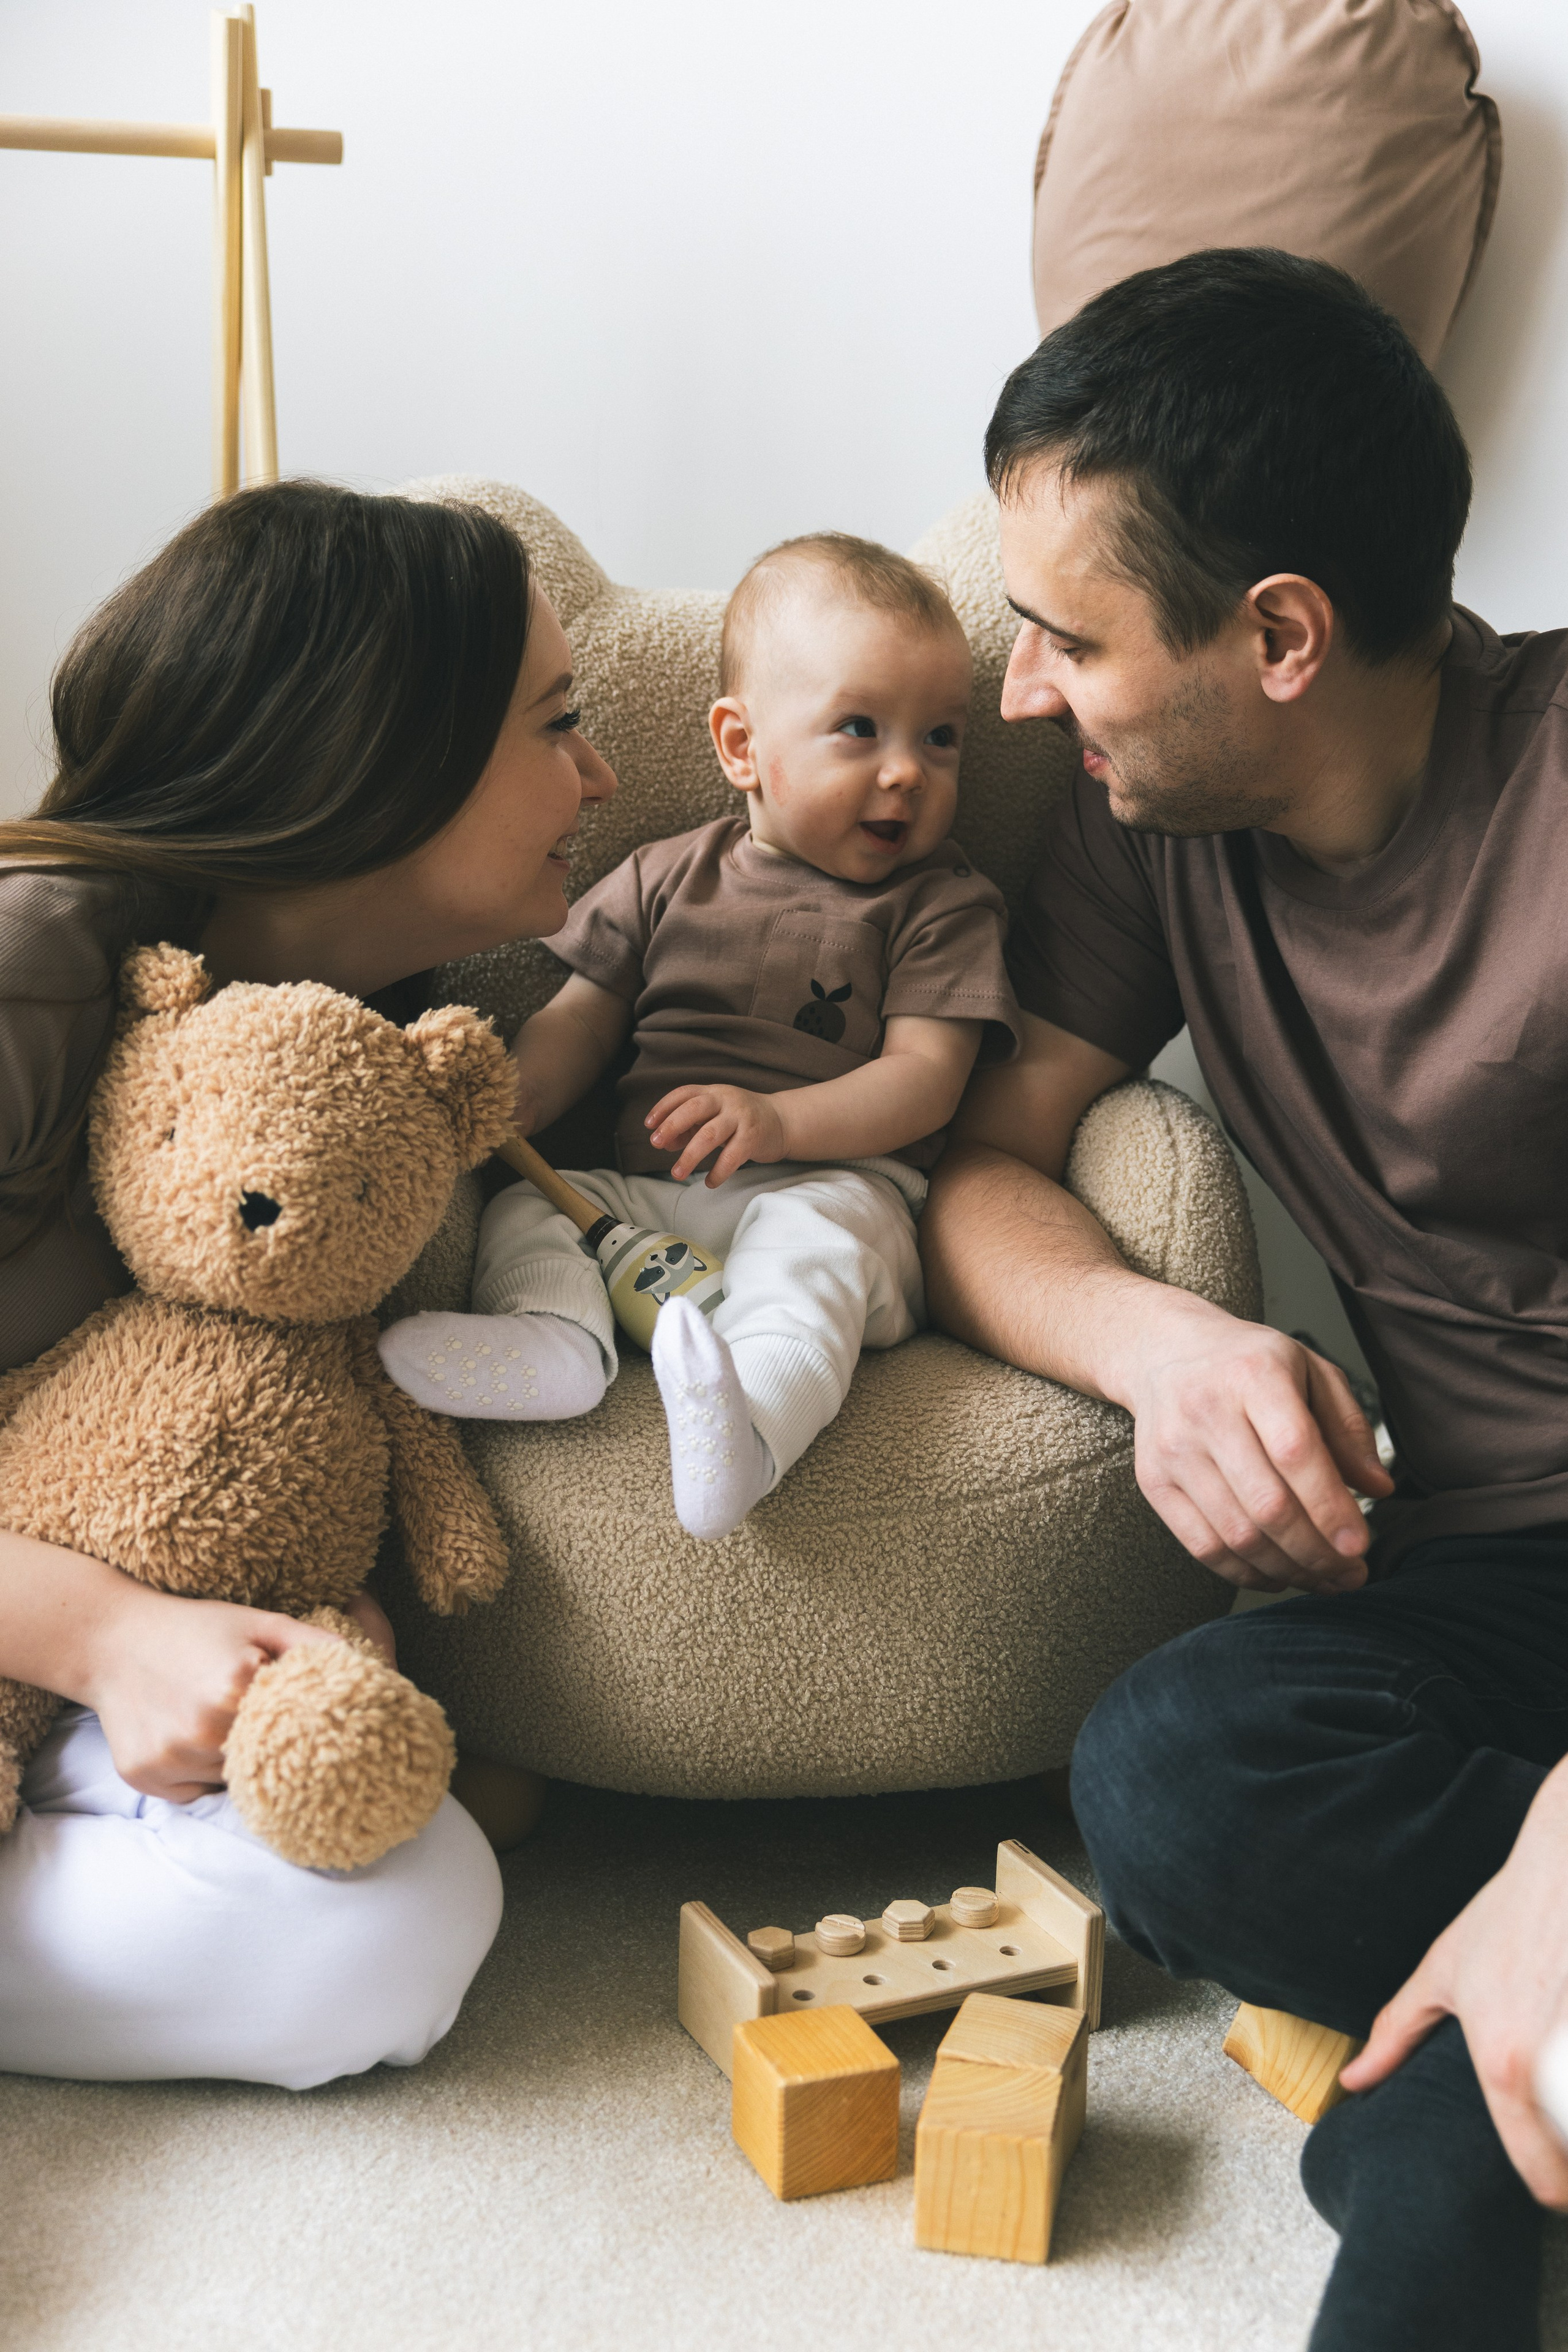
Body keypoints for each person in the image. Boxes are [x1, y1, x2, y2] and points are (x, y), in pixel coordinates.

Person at [919, 246, 1568, 2352]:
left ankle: (1447, 2157)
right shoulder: (1153, 828)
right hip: (1503, 1588)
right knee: (1178, 1774)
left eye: (1066, 638)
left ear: (1277, 634)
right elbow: (991, 1174)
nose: (1025, 694)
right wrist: (1162, 1342)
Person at [0, 479, 616, 2089]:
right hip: (44, 1648)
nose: (601, 775)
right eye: (556, 725)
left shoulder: (367, 1060)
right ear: (379, 757)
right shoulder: (29, 985)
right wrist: (107, 1639)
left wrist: (287, 1633)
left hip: (52, 1697)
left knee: (396, 1914)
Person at [380, 533, 1021, 1540]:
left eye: (941, 738)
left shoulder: (941, 905)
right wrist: (517, 1099)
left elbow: (925, 1081)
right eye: (861, 729)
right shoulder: (664, 875)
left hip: (841, 1194)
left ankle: (750, 1427)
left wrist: (776, 1121)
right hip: (655, 1202)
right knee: (532, 1208)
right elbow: (579, 1022)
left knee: (814, 1253)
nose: (908, 773)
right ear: (740, 748)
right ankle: (554, 1341)